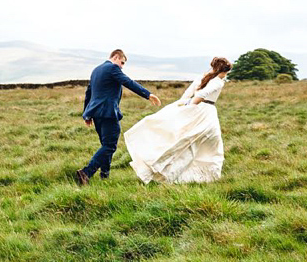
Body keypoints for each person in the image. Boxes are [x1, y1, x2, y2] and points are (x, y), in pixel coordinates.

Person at [123, 57, 232, 184]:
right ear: (223, 71)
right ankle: (201, 175)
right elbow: (200, 95)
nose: (226, 75)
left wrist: (182, 106)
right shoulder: (218, 81)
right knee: (208, 143)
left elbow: (188, 93)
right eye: (226, 72)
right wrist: (190, 106)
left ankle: (175, 172)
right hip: (205, 112)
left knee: (186, 140)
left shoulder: (202, 77)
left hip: (193, 107)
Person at [74, 49, 161, 186]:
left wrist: (87, 114)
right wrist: (148, 94)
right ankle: (86, 173)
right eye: (122, 62)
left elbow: (89, 93)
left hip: (97, 114)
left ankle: (105, 175)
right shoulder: (112, 68)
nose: (122, 66)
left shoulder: (96, 70)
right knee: (109, 146)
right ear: (115, 57)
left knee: (106, 145)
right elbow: (128, 82)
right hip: (108, 113)